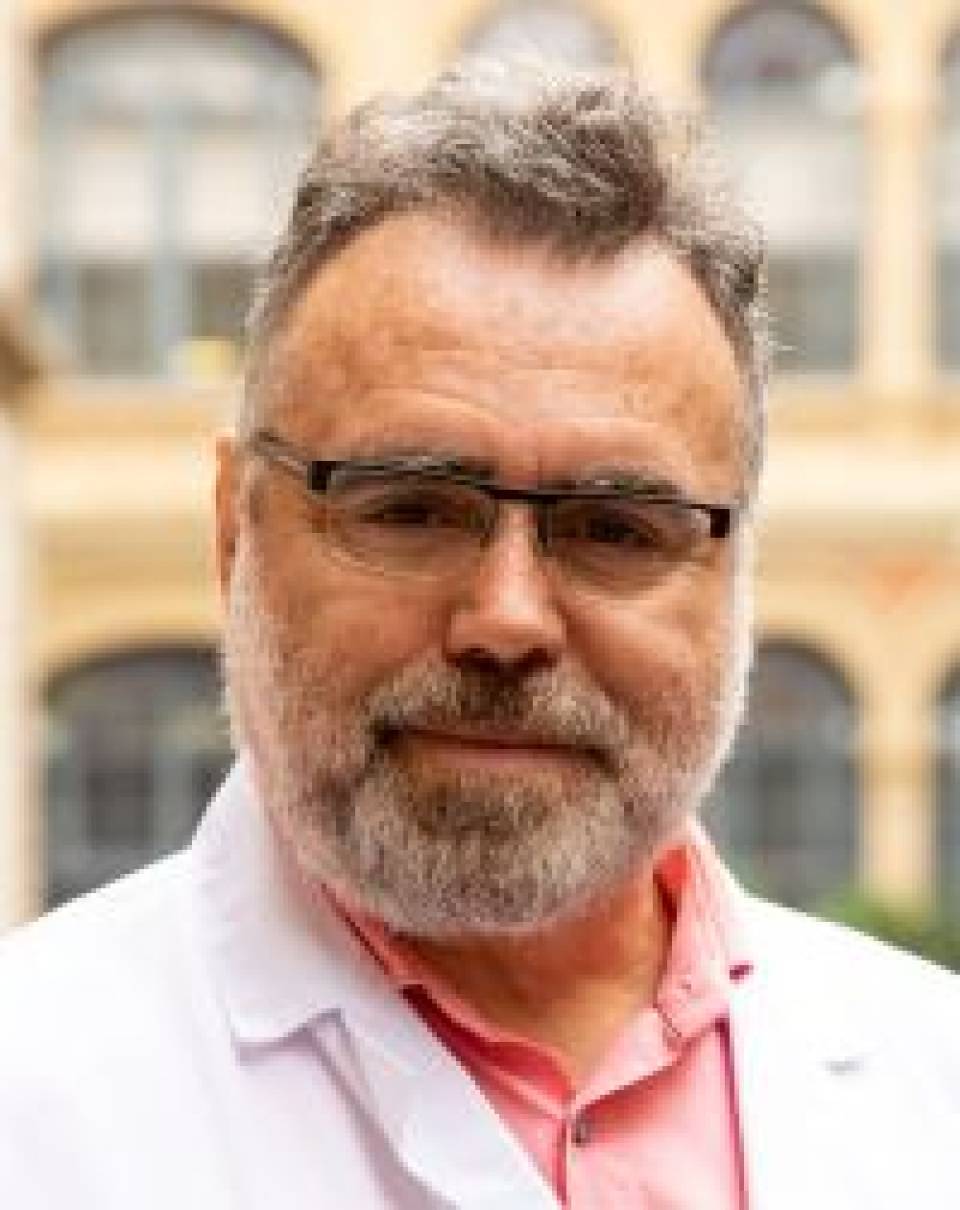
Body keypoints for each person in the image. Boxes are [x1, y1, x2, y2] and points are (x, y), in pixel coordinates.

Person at [1, 62, 958, 1210]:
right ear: (233, 530)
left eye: (615, 529)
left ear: (737, 574)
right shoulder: (35, 1104)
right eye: (411, 509)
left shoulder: (931, 1083)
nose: (507, 619)